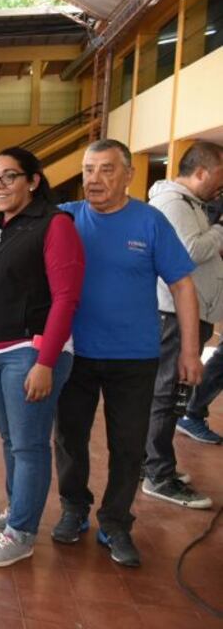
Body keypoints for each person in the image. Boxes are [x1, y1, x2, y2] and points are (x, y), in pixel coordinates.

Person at [52, 139, 202, 568]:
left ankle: (116, 521)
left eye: (105, 170)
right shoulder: (66, 219)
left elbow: (183, 286)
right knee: (68, 437)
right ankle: (74, 507)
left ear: (128, 175)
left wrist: (190, 351)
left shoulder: (150, 222)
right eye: (88, 170)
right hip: (75, 353)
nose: (94, 179)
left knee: (128, 445)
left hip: (134, 357)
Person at [0, 147, 84, 567]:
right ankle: (17, 512)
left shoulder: (55, 224)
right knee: (12, 440)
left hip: (28, 354)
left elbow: (67, 298)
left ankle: (22, 532)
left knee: (30, 447)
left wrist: (46, 361)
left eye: (9, 177)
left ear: (33, 181)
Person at [143, 141, 223, 508]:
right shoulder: (173, 204)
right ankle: (158, 474)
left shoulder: (190, 205)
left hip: (187, 312)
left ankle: (154, 464)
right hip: (173, 314)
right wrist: (221, 229)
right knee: (166, 393)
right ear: (202, 171)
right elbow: (190, 252)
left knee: (170, 394)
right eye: (220, 175)